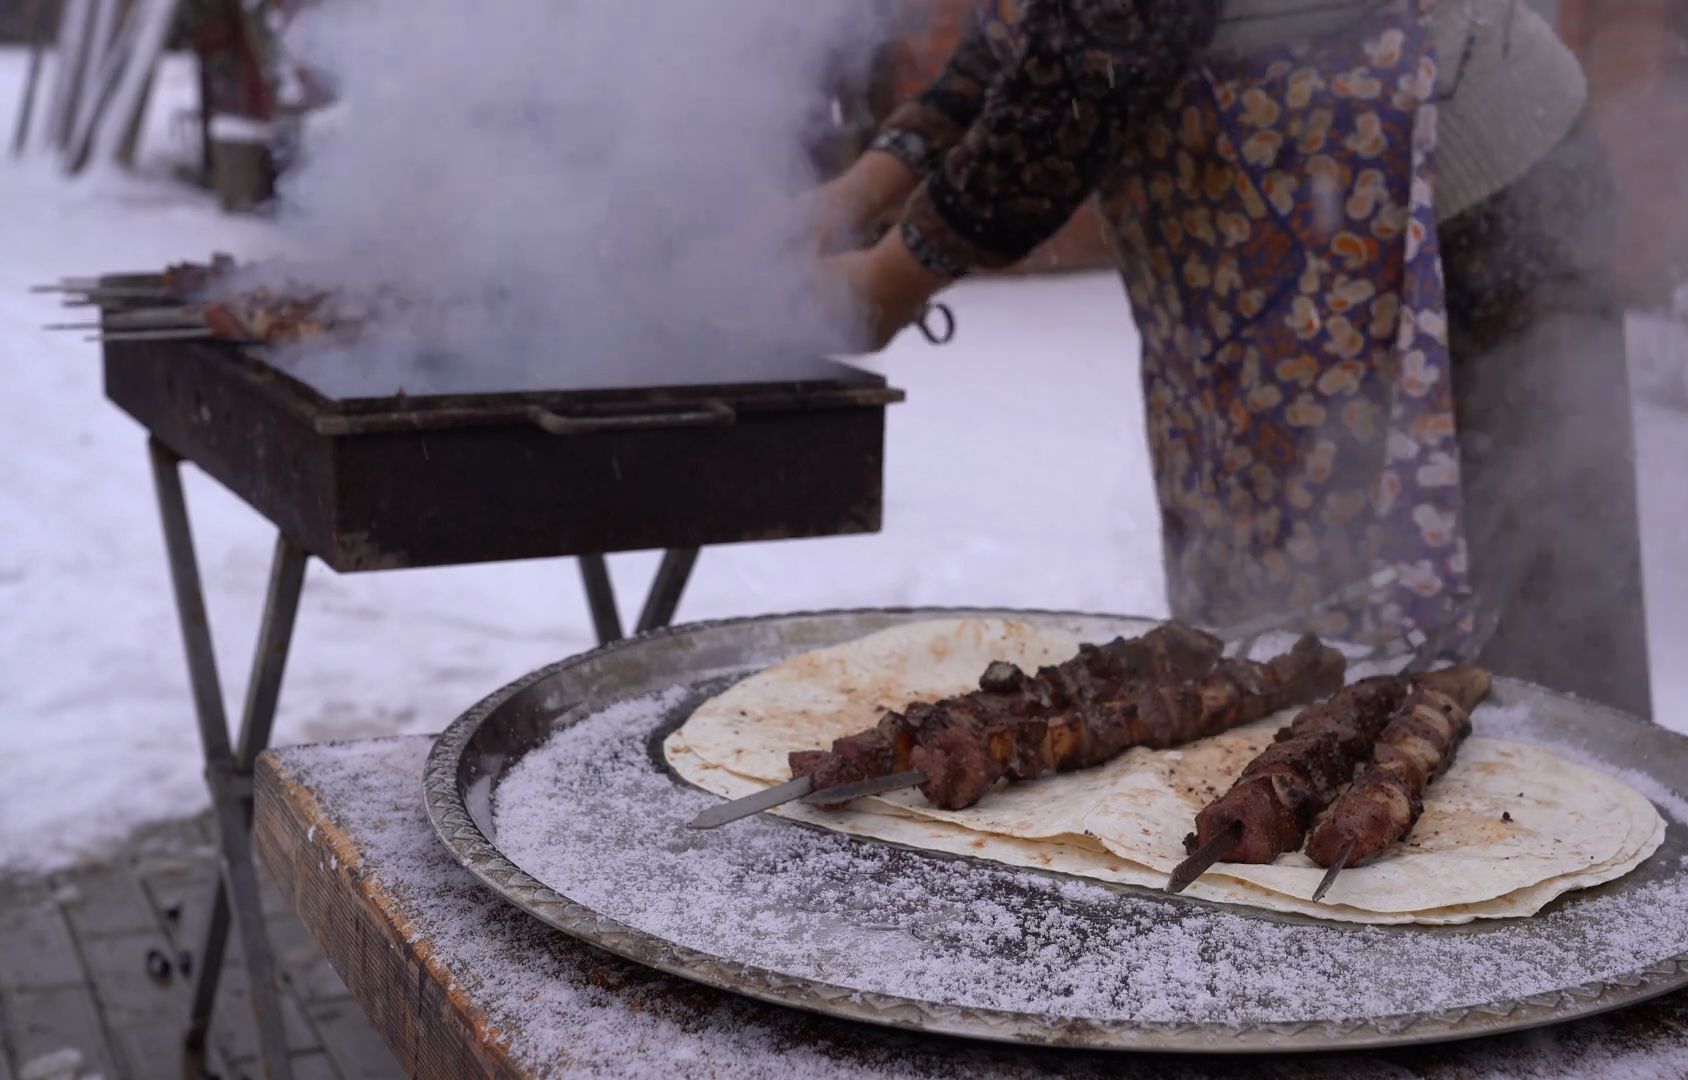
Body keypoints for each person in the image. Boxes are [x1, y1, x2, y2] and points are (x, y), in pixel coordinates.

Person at [815, 0, 1654, 717]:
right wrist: (855, 196)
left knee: (1525, 681)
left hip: (1453, 218)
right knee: (1274, 653)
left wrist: (897, 270)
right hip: (1266, 252)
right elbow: (1034, 25)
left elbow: (1102, 44)